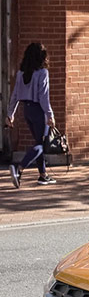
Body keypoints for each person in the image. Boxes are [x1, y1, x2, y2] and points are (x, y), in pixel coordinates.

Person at [6, 41, 57, 187]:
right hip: (39, 111)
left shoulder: (21, 73)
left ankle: (43, 175)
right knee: (41, 144)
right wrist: (50, 115)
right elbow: (44, 98)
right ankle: (19, 169)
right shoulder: (42, 73)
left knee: (37, 142)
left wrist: (10, 114)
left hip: (26, 110)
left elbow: (15, 95)